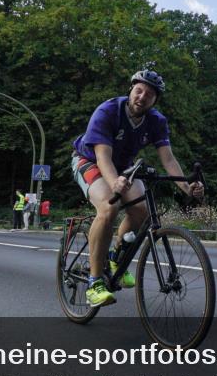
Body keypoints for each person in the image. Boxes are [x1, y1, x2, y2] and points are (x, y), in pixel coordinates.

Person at [71, 69, 204, 307]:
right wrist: (114, 184)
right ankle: (94, 282)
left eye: (149, 94)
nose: (142, 97)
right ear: (131, 90)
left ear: (154, 101)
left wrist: (186, 187)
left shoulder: (156, 121)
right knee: (109, 207)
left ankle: (115, 257)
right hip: (90, 160)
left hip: (123, 167)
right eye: (139, 90)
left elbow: (169, 160)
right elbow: (103, 158)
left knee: (142, 211)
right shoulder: (108, 111)